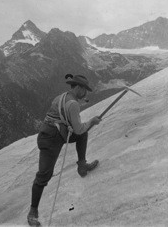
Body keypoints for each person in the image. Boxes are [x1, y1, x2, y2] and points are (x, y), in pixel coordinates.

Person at [27, 74, 102, 226]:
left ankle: (82, 165)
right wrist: (92, 121)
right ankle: (33, 211)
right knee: (44, 175)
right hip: (52, 139)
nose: (86, 94)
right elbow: (79, 129)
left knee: (82, 135)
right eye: (85, 90)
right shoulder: (73, 104)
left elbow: (65, 114)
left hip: (51, 134)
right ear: (79, 88)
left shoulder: (61, 97)